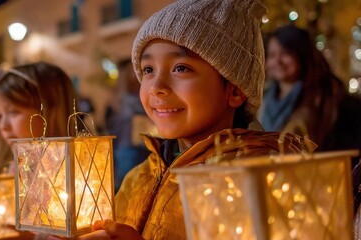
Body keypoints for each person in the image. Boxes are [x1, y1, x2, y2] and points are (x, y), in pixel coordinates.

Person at [66, 0, 309, 239]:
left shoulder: (264, 181)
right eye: (148, 69)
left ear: (235, 90)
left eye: (181, 68)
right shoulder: (139, 176)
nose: (156, 87)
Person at [260, 24, 361, 167]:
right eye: (272, 55)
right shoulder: (263, 101)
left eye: (285, 53)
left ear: (301, 54)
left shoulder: (328, 99)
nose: (277, 61)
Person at [0, 62, 77, 173]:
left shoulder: (82, 176)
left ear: (50, 110)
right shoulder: (8, 171)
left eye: (13, 112)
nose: (3, 126)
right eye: (0, 115)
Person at [106, 59, 150, 192]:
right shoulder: (123, 99)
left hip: (144, 143)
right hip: (127, 146)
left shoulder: (137, 96)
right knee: (130, 186)